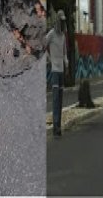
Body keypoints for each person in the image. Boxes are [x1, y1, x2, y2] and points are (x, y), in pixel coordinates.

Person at [46, 9, 69, 137]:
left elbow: (65, 52)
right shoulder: (51, 34)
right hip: (55, 70)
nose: (63, 23)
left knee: (60, 100)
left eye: (64, 21)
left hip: (61, 71)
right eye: (61, 21)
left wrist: (66, 63)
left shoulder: (63, 36)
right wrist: (49, 60)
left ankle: (58, 125)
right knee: (55, 99)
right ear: (57, 21)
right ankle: (55, 127)